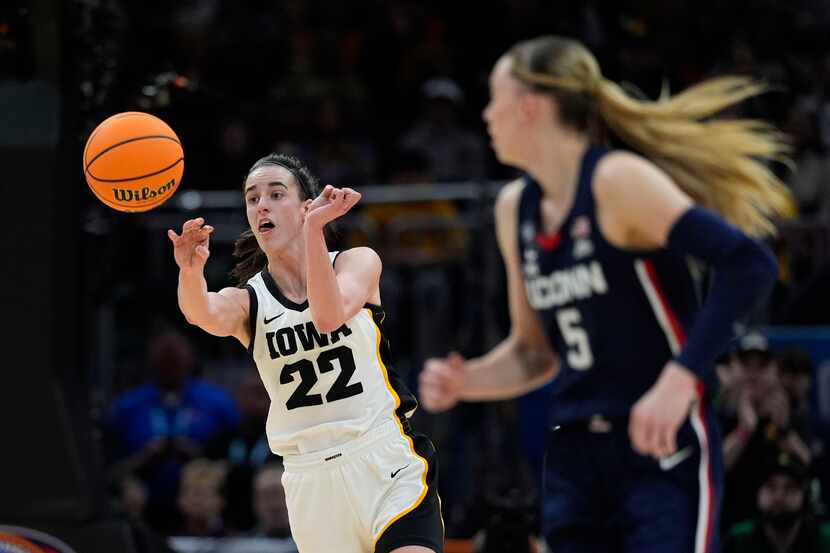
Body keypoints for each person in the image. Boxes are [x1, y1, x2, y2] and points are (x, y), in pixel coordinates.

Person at [418, 35, 793, 552]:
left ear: (529, 107)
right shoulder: (515, 210)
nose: (486, 114)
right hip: (573, 454)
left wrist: (680, 379)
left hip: (658, 446)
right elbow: (534, 353)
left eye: (494, 97)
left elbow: (749, 264)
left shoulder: (618, 184)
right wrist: (468, 381)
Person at [167, 153, 443, 553]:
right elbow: (200, 313)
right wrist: (189, 270)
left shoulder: (357, 262)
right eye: (252, 198)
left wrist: (315, 229)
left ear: (305, 207)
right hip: (311, 481)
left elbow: (328, 316)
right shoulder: (250, 301)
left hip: (383, 459)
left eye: (276, 194)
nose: (261, 204)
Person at [724, 451, 830, 553]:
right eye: (771, 487)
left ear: (805, 495)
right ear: (757, 493)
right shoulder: (738, 540)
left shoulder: (825, 540)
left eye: (790, 487)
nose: (779, 497)